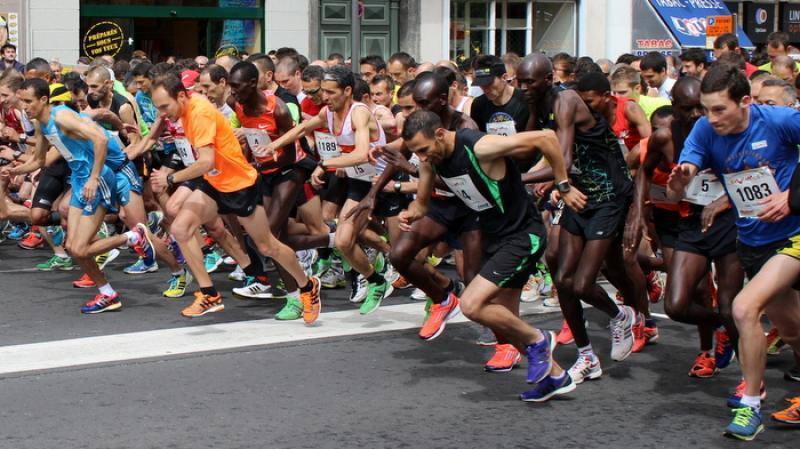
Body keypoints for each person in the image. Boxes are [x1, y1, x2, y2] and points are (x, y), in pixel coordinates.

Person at [400, 109, 587, 401]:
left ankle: (541, 339)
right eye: (416, 153)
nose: (421, 158)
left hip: (523, 236)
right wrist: (410, 213)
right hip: (496, 238)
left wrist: (562, 185)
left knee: (472, 305)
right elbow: (422, 205)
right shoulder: (432, 160)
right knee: (507, 321)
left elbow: (547, 137)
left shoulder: (479, 146)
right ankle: (556, 377)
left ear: (439, 134)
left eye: (423, 150)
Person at [667, 64, 800, 441]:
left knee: (743, 307)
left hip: (793, 237)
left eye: (719, 109)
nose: (711, 118)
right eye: (706, 109)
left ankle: (751, 405)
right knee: (792, 329)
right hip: (753, 243)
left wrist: (794, 197)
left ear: (745, 101)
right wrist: (681, 179)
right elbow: (683, 179)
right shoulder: (705, 129)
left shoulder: (778, 121)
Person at [148, 73, 321, 323]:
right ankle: (209, 294)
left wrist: (170, 179)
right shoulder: (186, 107)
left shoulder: (199, 113)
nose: (162, 113)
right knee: (180, 228)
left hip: (239, 184)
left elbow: (205, 161)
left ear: (182, 96)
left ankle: (307, 286)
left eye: (165, 106)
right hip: (214, 182)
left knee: (267, 246)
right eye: (158, 108)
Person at [6, 78, 157, 313]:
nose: (24, 107)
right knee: (73, 247)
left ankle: (133, 237)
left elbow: (100, 139)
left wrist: (95, 177)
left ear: (43, 100)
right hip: (79, 182)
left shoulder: (61, 117)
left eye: (29, 101)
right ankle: (108, 294)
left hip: (95, 182)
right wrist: (14, 169)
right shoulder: (42, 124)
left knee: (79, 248)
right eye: (22, 101)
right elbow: (39, 160)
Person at [629, 76, 741, 378]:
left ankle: (711, 353)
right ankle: (724, 326)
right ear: (674, 108)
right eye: (686, 109)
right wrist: (638, 215)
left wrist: (725, 202)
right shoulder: (665, 136)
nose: (694, 116)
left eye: (698, 109)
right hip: (686, 219)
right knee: (678, 304)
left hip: (729, 221)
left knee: (715, 295)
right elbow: (643, 172)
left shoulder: (722, 129)